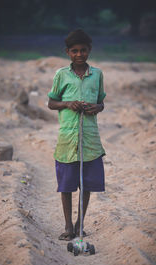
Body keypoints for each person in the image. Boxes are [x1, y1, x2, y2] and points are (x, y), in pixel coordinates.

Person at [48, 29, 106, 241]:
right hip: (67, 137)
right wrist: (67, 104)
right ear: (68, 52)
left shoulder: (97, 74)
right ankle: (68, 227)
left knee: (87, 183)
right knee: (67, 184)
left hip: (90, 138)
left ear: (89, 50)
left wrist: (96, 108)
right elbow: (51, 102)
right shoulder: (61, 75)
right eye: (75, 51)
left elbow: (101, 102)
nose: (79, 54)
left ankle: (80, 223)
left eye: (83, 50)